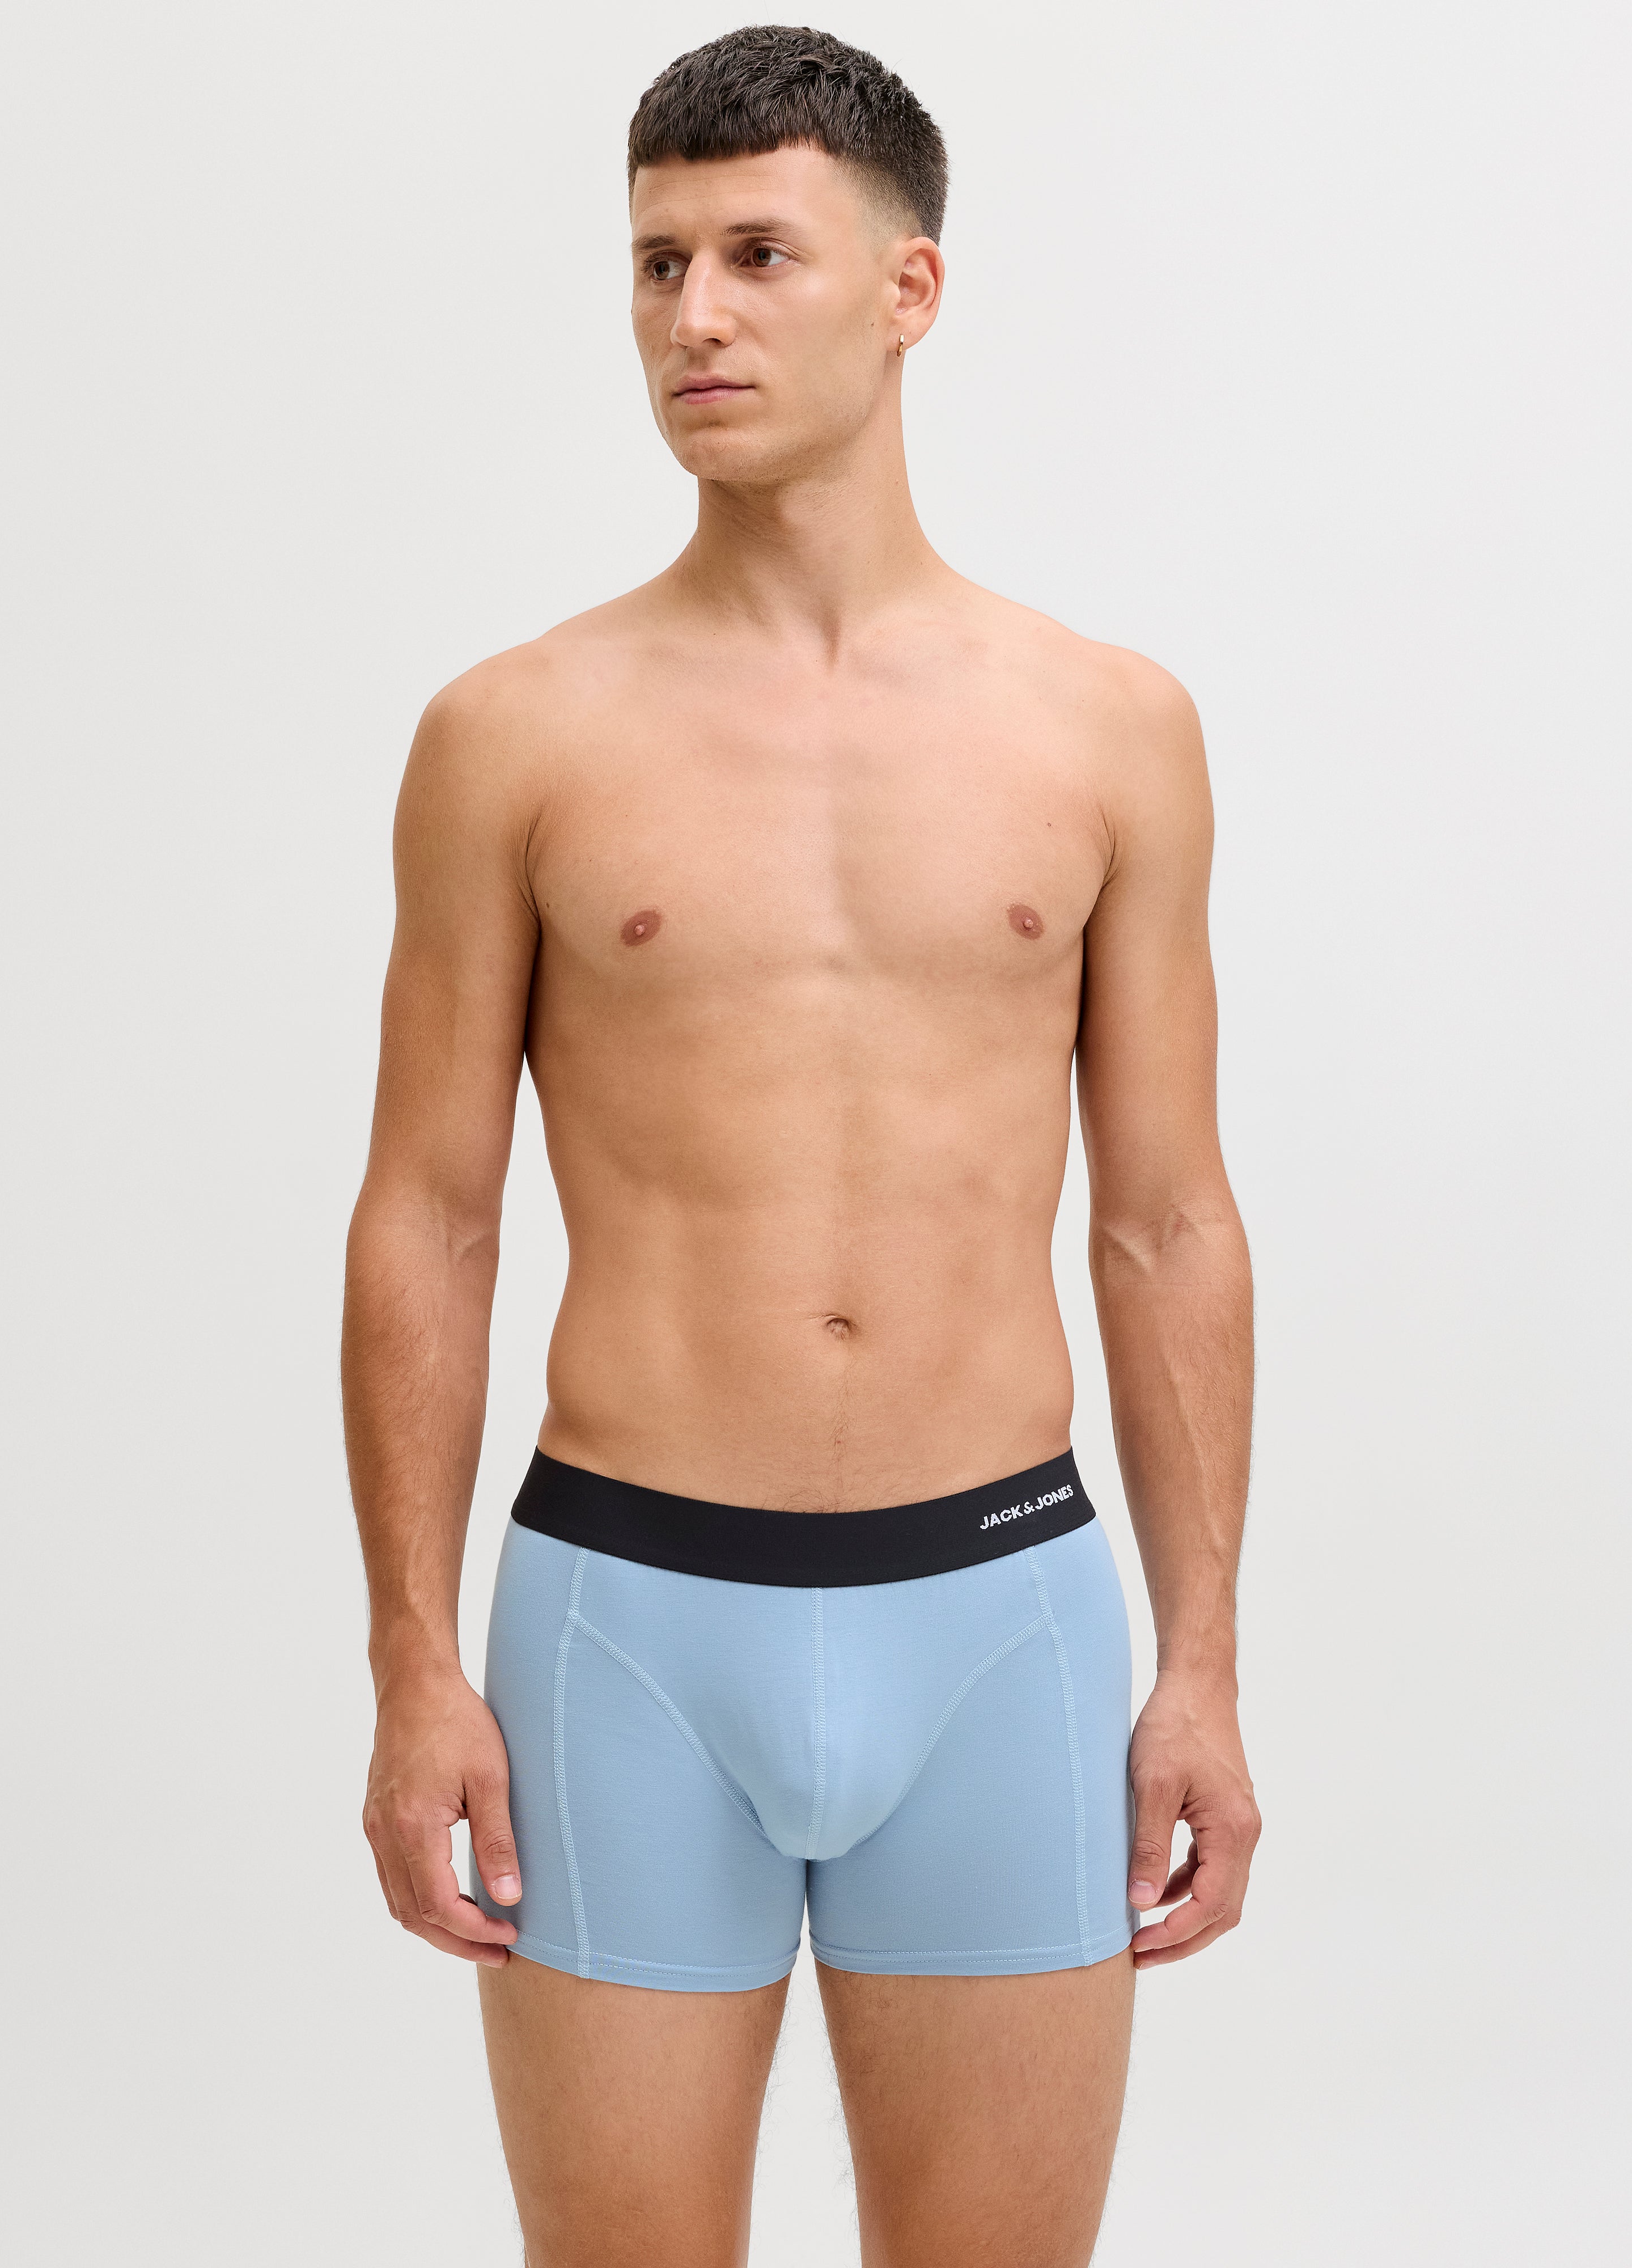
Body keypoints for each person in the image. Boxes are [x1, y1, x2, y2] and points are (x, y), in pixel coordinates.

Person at [343, 25, 1260, 2266]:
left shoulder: (1110, 728)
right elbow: (429, 1220)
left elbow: (1165, 1222)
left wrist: (1204, 1658)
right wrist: (410, 1661)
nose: (696, 317)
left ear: (909, 289)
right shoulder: (513, 735)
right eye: (658, 263)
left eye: (759, 255)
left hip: (1007, 1620)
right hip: (624, 1628)